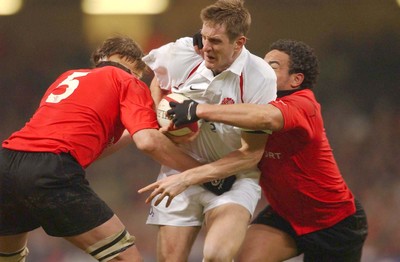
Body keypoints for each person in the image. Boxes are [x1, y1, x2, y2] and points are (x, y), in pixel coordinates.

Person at [152, 39, 369, 261]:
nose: (262, 69)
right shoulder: (248, 96)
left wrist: (199, 110)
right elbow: (165, 75)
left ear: (296, 79)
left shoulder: (304, 104)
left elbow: (264, 118)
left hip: (334, 222)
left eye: (273, 66)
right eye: (262, 63)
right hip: (284, 216)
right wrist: (202, 43)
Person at [0, 36, 202, 262]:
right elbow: (148, 142)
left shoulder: (67, 77)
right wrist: (201, 172)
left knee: (8, 258)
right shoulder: (128, 81)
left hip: (6, 164)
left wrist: (136, 126)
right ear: (136, 66)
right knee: (126, 258)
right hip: (50, 169)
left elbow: (85, 145)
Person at [139, 0, 277, 261]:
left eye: (215, 41)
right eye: (203, 38)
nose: (205, 48)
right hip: (179, 168)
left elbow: (251, 154)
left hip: (233, 177)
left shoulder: (260, 76)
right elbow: (157, 75)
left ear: (239, 42)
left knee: (217, 256)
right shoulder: (184, 52)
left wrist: (191, 177)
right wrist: (161, 114)